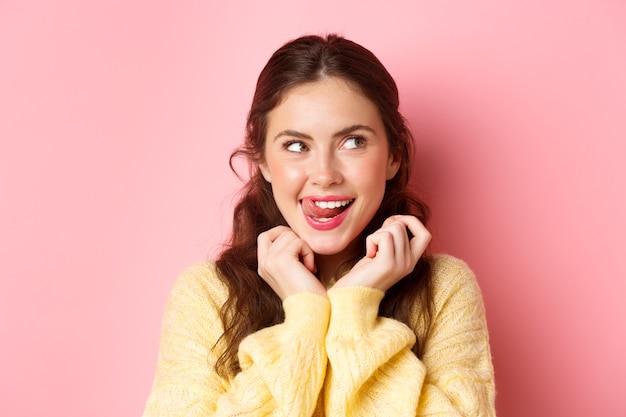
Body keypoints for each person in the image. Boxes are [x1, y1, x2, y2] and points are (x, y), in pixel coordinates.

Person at [142, 34, 495, 417]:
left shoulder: (444, 290)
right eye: (296, 146)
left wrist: (355, 307)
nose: (325, 175)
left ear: (393, 156)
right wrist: (305, 315)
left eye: (353, 142)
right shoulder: (207, 295)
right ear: (262, 160)